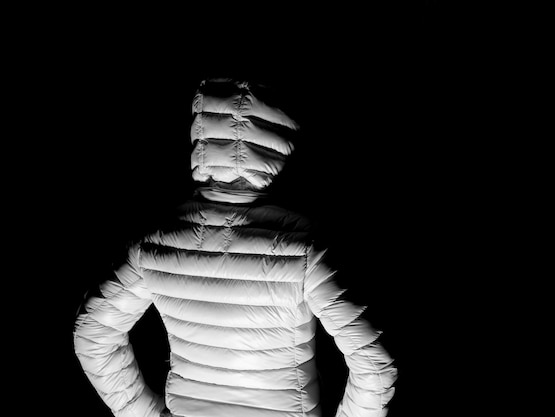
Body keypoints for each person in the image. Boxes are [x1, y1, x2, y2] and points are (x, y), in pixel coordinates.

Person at [73, 77, 397, 417]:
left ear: (201, 137)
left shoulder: (153, 244)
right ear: (277, 138)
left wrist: (141, 413)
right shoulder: (304, 249)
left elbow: (93, 335)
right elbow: (375, 364)